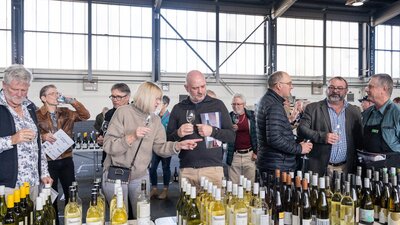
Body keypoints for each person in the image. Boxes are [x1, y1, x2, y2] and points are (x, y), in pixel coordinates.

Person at [102, 81, 201, 217]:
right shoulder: (122, 112)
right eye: (157, 99)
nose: (159, 103)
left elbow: (160, 148)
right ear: (146, 97)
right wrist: (132, 136)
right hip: (116, 176)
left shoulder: (155, 120)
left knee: (142, 216)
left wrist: (178, 145)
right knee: (119, 217)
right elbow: (108, 145)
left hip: (140, 177)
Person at [167, 70, 235, 189]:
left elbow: (231, 136)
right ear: (186, 88)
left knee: (214, 207)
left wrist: (213, 131)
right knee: (188, 207)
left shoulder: (218, 105)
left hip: (213, 170)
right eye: (195, 88)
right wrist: (178, 133)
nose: (200, 91)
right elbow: (168, 140)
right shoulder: (178, 108)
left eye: (203, 86)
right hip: (187, 170)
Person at [36, 84, 90, 224]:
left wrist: (73, 101)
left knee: (71, 193)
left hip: (66, 159)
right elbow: (31, 134)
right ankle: (54, 221)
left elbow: (86, 115)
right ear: (43, 98)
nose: (56, 95)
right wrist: (42, 136)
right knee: (51, 195)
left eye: (57, 92)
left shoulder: (67, 112)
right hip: (47, 161)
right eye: (52, 93)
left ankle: (71, 220)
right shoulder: (36, 114)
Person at [0, 64, 52, 200]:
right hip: (7, 186)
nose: (19, 94)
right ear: (4, 85)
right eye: (14, 89)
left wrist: (44, 173)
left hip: (33, 182)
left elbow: (38, 144)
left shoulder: (29, 106)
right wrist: (12, 140)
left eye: (23, 90)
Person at [297, 77, 362, 176]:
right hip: (319, 166)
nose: (335, 91)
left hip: (345, 168)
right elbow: (301, 130)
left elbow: (359, 138)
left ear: (346, 91)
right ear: (326, 89)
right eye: (331, 87)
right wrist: (323, 137)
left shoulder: (354, 111)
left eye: (340, 88)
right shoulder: (313, 108)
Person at [255, 71, 313, 175]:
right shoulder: (274, 105)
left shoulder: (266, 101)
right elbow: (274, 139)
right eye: (289, 84)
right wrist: (299, 148)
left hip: (271, 162)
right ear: (279, 85)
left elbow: (274, 130)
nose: (292, 87)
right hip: (277, 165)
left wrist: (289, 121)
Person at [363, 73, 400, 153]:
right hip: (368, 163)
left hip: (392, 164)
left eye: (370, 87)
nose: (366, 89)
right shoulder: (367, 113)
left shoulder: (397, 113)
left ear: (384, 89)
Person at [226, 93, 257, 184]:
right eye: (233, 104)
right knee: (233, 186)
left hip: (249, 155)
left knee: (249, 186)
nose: (236, 106)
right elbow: (223, 136)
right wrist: (230, 130)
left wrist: (256, 152)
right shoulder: (228, 117)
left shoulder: (252, 116)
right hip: (234, 155)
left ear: (244, 104)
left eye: (238, 104)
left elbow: (258, 135)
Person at [97, 83, 131, 165]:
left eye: (118, 97)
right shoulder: (109, 113)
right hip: (108, 159)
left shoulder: (132, 114)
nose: (115, 100)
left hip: (125, 161)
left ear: (127, 97)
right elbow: (103, 132)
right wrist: (100, 139)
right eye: (113, 96)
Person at [150, 95, 172, 199]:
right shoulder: (155, 116)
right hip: (155, 147)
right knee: (152, 168)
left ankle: (165, 190)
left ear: (166, 104)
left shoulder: (171, 117)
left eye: (160, 103)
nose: (157, 105)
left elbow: (172, 133)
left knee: (165, 168)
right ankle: (154, 189)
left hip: (166, 147)